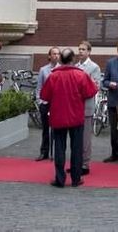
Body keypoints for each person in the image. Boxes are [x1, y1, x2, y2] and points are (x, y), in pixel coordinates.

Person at [40, 48, 98, 188]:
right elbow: (91, 91)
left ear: (60, 59)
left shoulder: (53, 76)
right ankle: (76, 179)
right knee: (76, 148)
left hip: (58, 116)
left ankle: (60, 179)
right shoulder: (80, 75)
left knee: (59, 148)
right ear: (72, 59)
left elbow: (44, 96)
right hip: (76, 116)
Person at [75, 40, 101, 175]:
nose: (80, 52)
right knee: (75, 137)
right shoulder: (75, 66)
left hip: (86, 106)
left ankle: (85, 164)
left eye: (83, 49)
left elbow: (96, 86)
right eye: (79, 49)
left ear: (89, 52)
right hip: (74, 107)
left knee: (85, 138)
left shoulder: (94, 67)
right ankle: (76, 162)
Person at [34, 47, 60, 161]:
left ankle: (54, 152)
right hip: (45, 103)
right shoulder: (43, 70)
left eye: (58, 54)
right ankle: (44, 151)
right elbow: (39, 87)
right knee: (45, 129)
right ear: (49, 56)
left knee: (56, 129)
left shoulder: (61, 69)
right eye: (54, 54)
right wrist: (40, 101)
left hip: (58, 104)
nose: (56, 56)